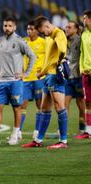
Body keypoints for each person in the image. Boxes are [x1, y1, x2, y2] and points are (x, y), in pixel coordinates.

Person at [0, 16, 35, 145]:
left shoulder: (19, 41)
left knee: (17, 107)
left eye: (10, 26)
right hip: (2, 81)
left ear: (15, 27)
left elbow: (32, 56)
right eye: (5, 25)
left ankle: (15, 134)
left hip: (15, 81)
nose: (7, 28)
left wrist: (26, 73)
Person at [22, 16, 68, 149]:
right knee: (44, 108)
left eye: (42, 31)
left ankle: (63, 141)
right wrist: (42, 72)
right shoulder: (48, 37)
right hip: (48, 75)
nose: (43, 34)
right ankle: (38, 140)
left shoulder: (59, 34)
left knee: (59, 106)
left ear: (47, 26)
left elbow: (63, 50)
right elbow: (49, 58)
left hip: (55, 75)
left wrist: (60, 61)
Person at [19, 20, 46, 140]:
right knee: (21, 105)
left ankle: (37, 131)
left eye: (32, 29)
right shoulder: (23, 41)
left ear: (37, 30)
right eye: (28, 29)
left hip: (39, 78)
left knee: (39, 105)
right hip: (26, 79)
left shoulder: (44, 42)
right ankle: (18, 131)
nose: (29, 31)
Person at [64, 21, 85, 137]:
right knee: (64, 104)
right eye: (66, 27)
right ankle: (63, 129)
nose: (67, 29)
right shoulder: (63, 40)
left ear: (76, 29)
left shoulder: (80, 40)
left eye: (69, 27)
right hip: (67, 78)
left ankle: (82, 128)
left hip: (78, 77)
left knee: (80, 104)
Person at [75, 10, 91, 139]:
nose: (83, 20)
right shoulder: (84, 34)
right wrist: (81, 68)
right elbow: (82, 53)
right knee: (88, 102)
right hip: (86, 73)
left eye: (85, 18)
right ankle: (88, 130)